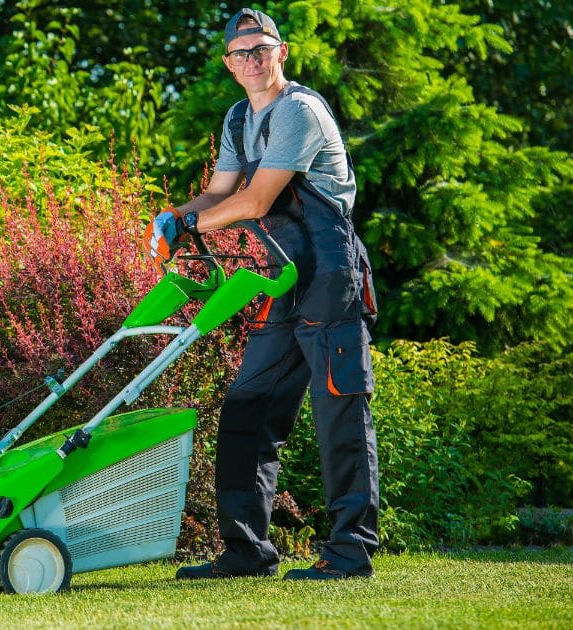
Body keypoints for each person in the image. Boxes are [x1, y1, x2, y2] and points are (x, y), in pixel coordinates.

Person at [151, 8, 380, 580]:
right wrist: (173, 218)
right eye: (241, 52)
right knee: (248, 406)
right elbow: (220, 192)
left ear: (282, 53)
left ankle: (350, 554)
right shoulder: (237, 120)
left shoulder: (299, 111)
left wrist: (193, 229)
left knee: (340, 410)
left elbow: (254, 203)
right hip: (284, 277)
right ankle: (246, 550)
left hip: (331, 276)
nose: (252, 59)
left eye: (262, 48)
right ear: (229, 65)